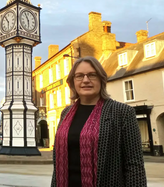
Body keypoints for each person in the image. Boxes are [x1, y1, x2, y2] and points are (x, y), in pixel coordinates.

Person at [51, 56, 146, 187]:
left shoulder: (122, 112)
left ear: (102, 79)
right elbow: (57, 166)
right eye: (79, 76)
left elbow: (134, 165)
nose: (85, 80)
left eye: (92, 75)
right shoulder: (66, 113)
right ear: (72, 82)